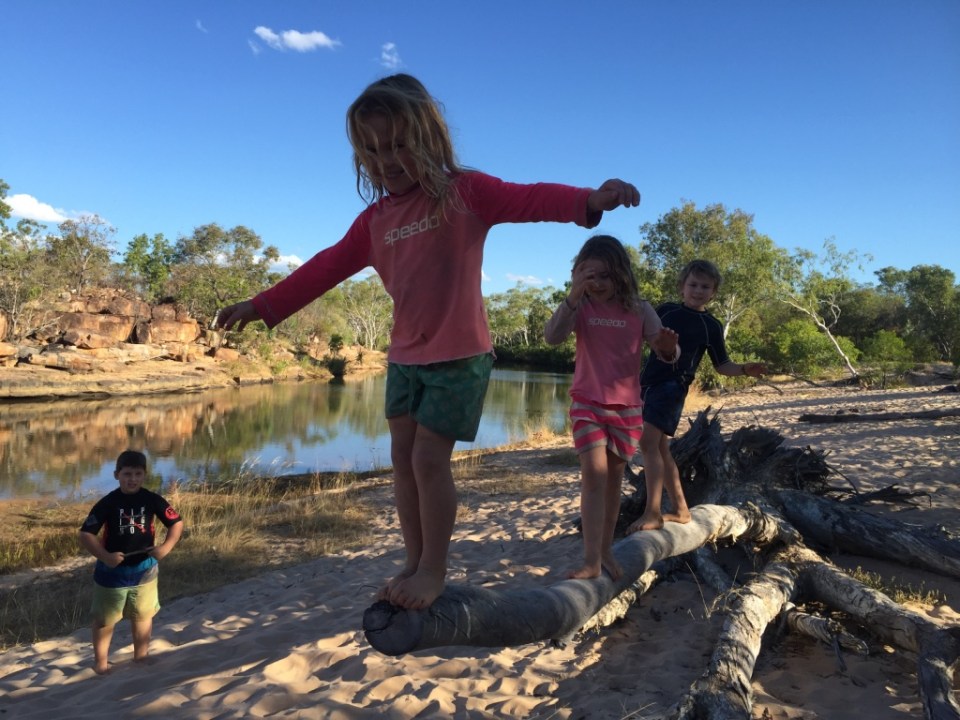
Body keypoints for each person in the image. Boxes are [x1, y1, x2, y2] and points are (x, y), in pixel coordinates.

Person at [215, 73, 641, 610]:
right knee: (402, 459)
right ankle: (414, 560)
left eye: (397, 144)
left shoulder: (464, 193)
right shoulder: (373, 221)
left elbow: (528, 197)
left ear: (428, 139)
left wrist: (591, 199)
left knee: (428, 459)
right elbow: (323, 268)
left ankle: (434, 570)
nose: (385, 159)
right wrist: (262, 304)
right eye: (371, 150)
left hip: (460, 354)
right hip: (405, 357)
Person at [544, 235, 678, 580]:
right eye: (589, 276)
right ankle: (590, 561)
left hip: (627, 409)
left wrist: (667, 348)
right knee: (594, 475)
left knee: (613, 481)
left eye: (605, 276)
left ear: (621, 274)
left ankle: (605, 552)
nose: (597, 283)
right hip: (587, 404)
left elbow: (667, 353)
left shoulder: (639, 308)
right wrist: (573, 295)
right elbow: (552, 337)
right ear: (577, 275)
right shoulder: (581, 307)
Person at [627, 259, 766, 533]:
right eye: (693, 284)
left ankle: (652, 513)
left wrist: (745, 369)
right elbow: (640, 334)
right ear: (682, 287)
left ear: (713, 293)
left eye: (705, 286)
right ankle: (680, 509)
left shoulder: (710, 325)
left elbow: (722, 365)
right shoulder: (665, 311)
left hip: (672, 388)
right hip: (646, 384)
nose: (698, 290)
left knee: (648, 444)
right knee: (662, 450)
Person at [78, 450, 183, 675]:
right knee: (105, 620)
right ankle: (101, 664)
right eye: (127, 474)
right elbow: (86, 534)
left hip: (145, 569)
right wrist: (105, 557)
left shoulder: (152, 499)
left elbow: (176, 523)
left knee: (143, 615)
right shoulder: (108, 503)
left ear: (144, 475)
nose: (132, 479)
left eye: (137, 474)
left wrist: (165, 548)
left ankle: (141, 658)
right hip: (111, 571)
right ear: (117, 475)